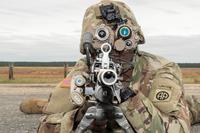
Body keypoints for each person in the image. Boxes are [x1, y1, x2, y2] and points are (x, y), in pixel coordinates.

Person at [19, 0, 200, 132]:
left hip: (158, 106)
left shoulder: (161, 68)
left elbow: (178, 128)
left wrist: (126, 99)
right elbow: (45, 126)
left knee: (193, 108)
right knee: (40, 107)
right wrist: (77, 118)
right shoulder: (83, 70)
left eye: (122, 41)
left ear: (135, 39)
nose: (113, 53)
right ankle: (40, 104)